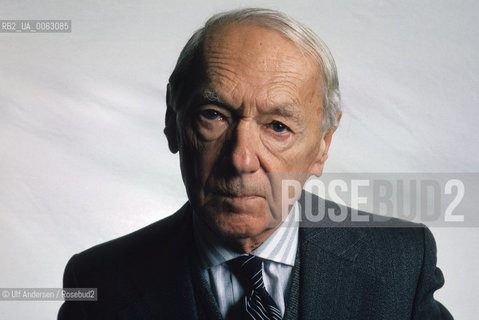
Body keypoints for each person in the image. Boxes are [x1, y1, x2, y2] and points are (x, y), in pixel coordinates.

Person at [58, 8, 453, 320]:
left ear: (322, 146)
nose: (241, 159)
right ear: (172, 122)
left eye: (277, 126)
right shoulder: (96, 285)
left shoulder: (401, 264)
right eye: (213, 115)